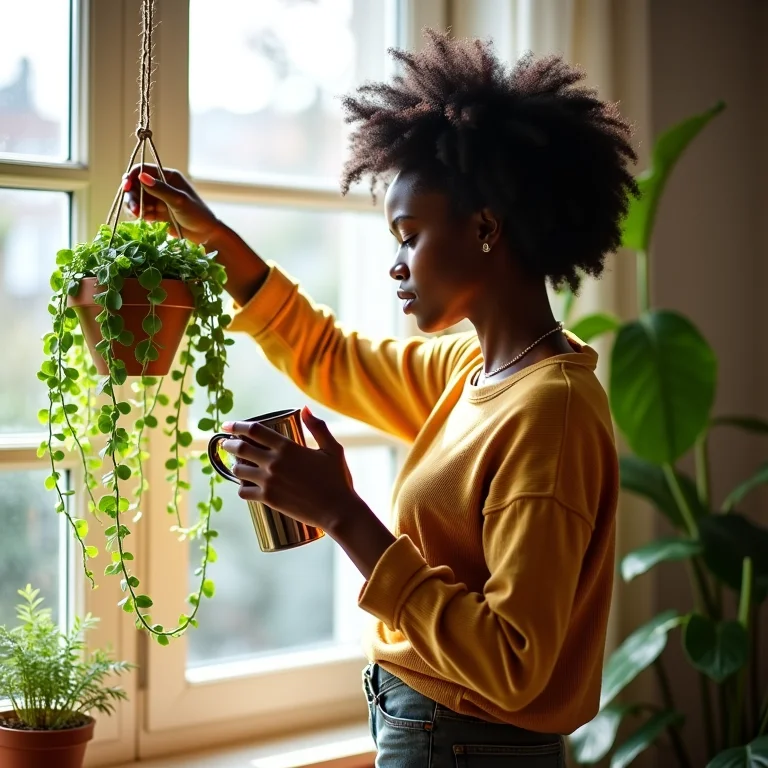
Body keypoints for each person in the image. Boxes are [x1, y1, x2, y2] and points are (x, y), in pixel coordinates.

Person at [122, 29, 636, 768]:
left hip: (467, 746)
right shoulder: (473, 366)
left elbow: (515, 665)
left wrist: (341, 513)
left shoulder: (547, 413)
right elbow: (328, 359)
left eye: (409, 235)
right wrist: (217, 240)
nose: (396, 265)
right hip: (429, 728)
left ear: (486, 228)